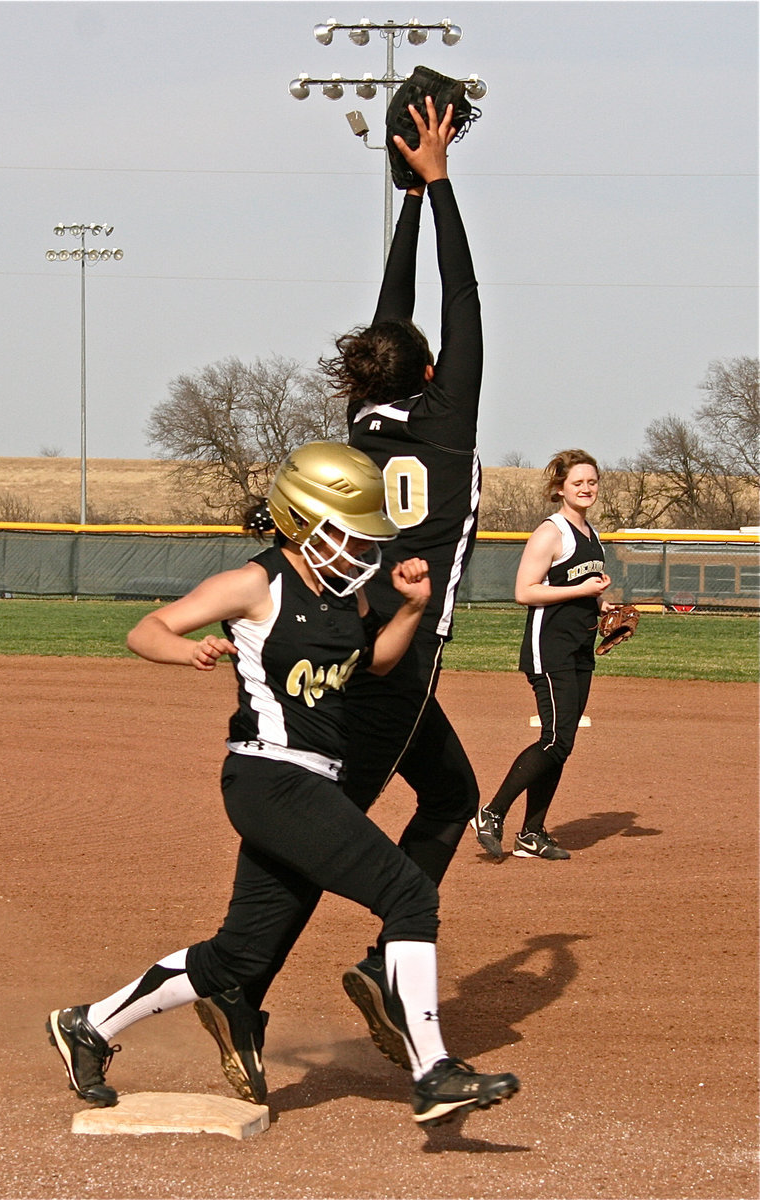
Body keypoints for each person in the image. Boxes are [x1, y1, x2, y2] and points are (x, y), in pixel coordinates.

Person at [46, 441, 520, 1127]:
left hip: (310, 783)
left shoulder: (349, 594)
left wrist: (413, 608)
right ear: (301, 522)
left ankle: (88, 1024)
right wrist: (188, 649)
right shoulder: (254, 584)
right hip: (269, 776)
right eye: (349, 534)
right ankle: (432, 1071)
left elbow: (378, 664)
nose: (363, 551)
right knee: (409, 894)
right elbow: (146, 630)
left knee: (239, 954)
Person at [195, 93, 488, 1085]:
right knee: (318, 847)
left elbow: (405, 318)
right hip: (390, 664)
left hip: (359, 644)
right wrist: (439, 185)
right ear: (432, 372)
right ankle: (248, 984)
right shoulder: (446, 421)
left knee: (447, 795)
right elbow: (460, 300)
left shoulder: (365, 421)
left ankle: (335, 972)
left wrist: (409, 197)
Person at [471, 450, 612, 861]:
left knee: (562, 743)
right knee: (554, 739)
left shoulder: (591, 534)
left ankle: (531, 834)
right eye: (577, 482)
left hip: (580, 647)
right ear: (560, 488)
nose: (586, 488)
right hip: (549, 648)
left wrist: (603, 606)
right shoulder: (552, 532)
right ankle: (491, 813)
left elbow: (585, 589)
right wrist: (582, 590)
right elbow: (525, 591)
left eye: (592, 481)